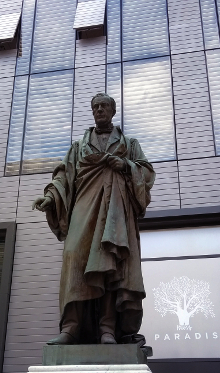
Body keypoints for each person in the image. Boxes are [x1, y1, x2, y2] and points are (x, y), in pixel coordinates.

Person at [32, 92, 155, 345]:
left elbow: (146, 172)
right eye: (95, 107)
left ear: (113, 110)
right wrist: (51, 197)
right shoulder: (79, 146)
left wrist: (124, 165)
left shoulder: (129, 144)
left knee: (112, 264)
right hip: (84, 206)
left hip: (116, 210)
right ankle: (71, 327)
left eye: (104, 106)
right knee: (74, 256)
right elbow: (64, 176)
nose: (99, 110)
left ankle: (107, 329)